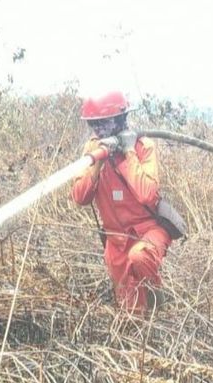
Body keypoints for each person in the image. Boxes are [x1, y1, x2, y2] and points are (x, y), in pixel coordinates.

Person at [71, 91, 171, 313]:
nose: (98, 130)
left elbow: (147, 194)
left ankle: (160, 308)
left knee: (140, 256)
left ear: (120, 119)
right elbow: (80, 196)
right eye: (93, 125)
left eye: (103, 123)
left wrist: (128, 152)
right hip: (116, 242)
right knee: (130, 313)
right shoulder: (92, 150)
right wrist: (97, 163)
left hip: (148, 231)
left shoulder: (142, 147)